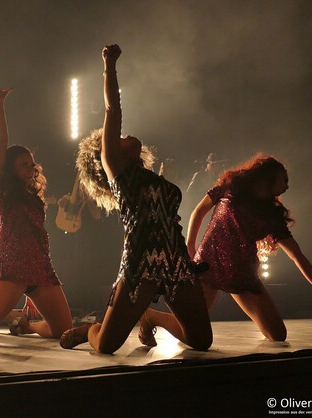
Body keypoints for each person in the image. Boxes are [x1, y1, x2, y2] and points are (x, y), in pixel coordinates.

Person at [61, 44, 212, 354]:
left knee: (201, 341)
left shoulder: (152, 177)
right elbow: (112, 110)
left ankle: (152, 316)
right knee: (105, 345)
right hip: (140, 264)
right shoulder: (118, 173)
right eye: (116, 138)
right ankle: (90, 329)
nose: (122, 136)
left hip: (175, 262)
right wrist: (109, 65)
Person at [186, 154, 312, 341]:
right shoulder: (231, 186)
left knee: (278, 335)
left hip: (242, 273)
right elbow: (199, 211)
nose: (287, 186)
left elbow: (297, 255)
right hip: (210, 263)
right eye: (284, 179)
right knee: (190, 329)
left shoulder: (273, 214)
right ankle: (151, 319)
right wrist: (190, 246)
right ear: (269, 177)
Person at [0, 79, 73, 344]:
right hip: (13, 268)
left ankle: (27, 327)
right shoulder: (2, 188)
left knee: (64, 331)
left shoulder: (32, 195)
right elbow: (0, 140)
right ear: (9, 168)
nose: (31, 168)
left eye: (32, 164)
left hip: (41, 268)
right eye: (24, 164)